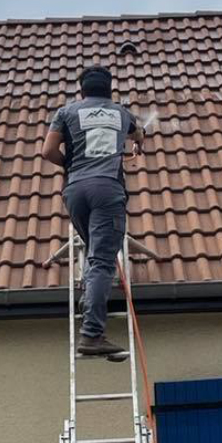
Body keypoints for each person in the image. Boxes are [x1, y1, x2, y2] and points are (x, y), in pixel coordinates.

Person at [41, 65, 145, 360]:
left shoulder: (67, 112)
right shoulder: (122, 113)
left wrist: (70, 165)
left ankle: (90, 305)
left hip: (75, 192)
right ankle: (92, 335)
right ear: (109, 89)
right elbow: (138, 134)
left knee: (93, 251)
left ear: (82, 90)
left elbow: (48, 151)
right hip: (107, 191)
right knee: (102, 259)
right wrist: (140, 140)